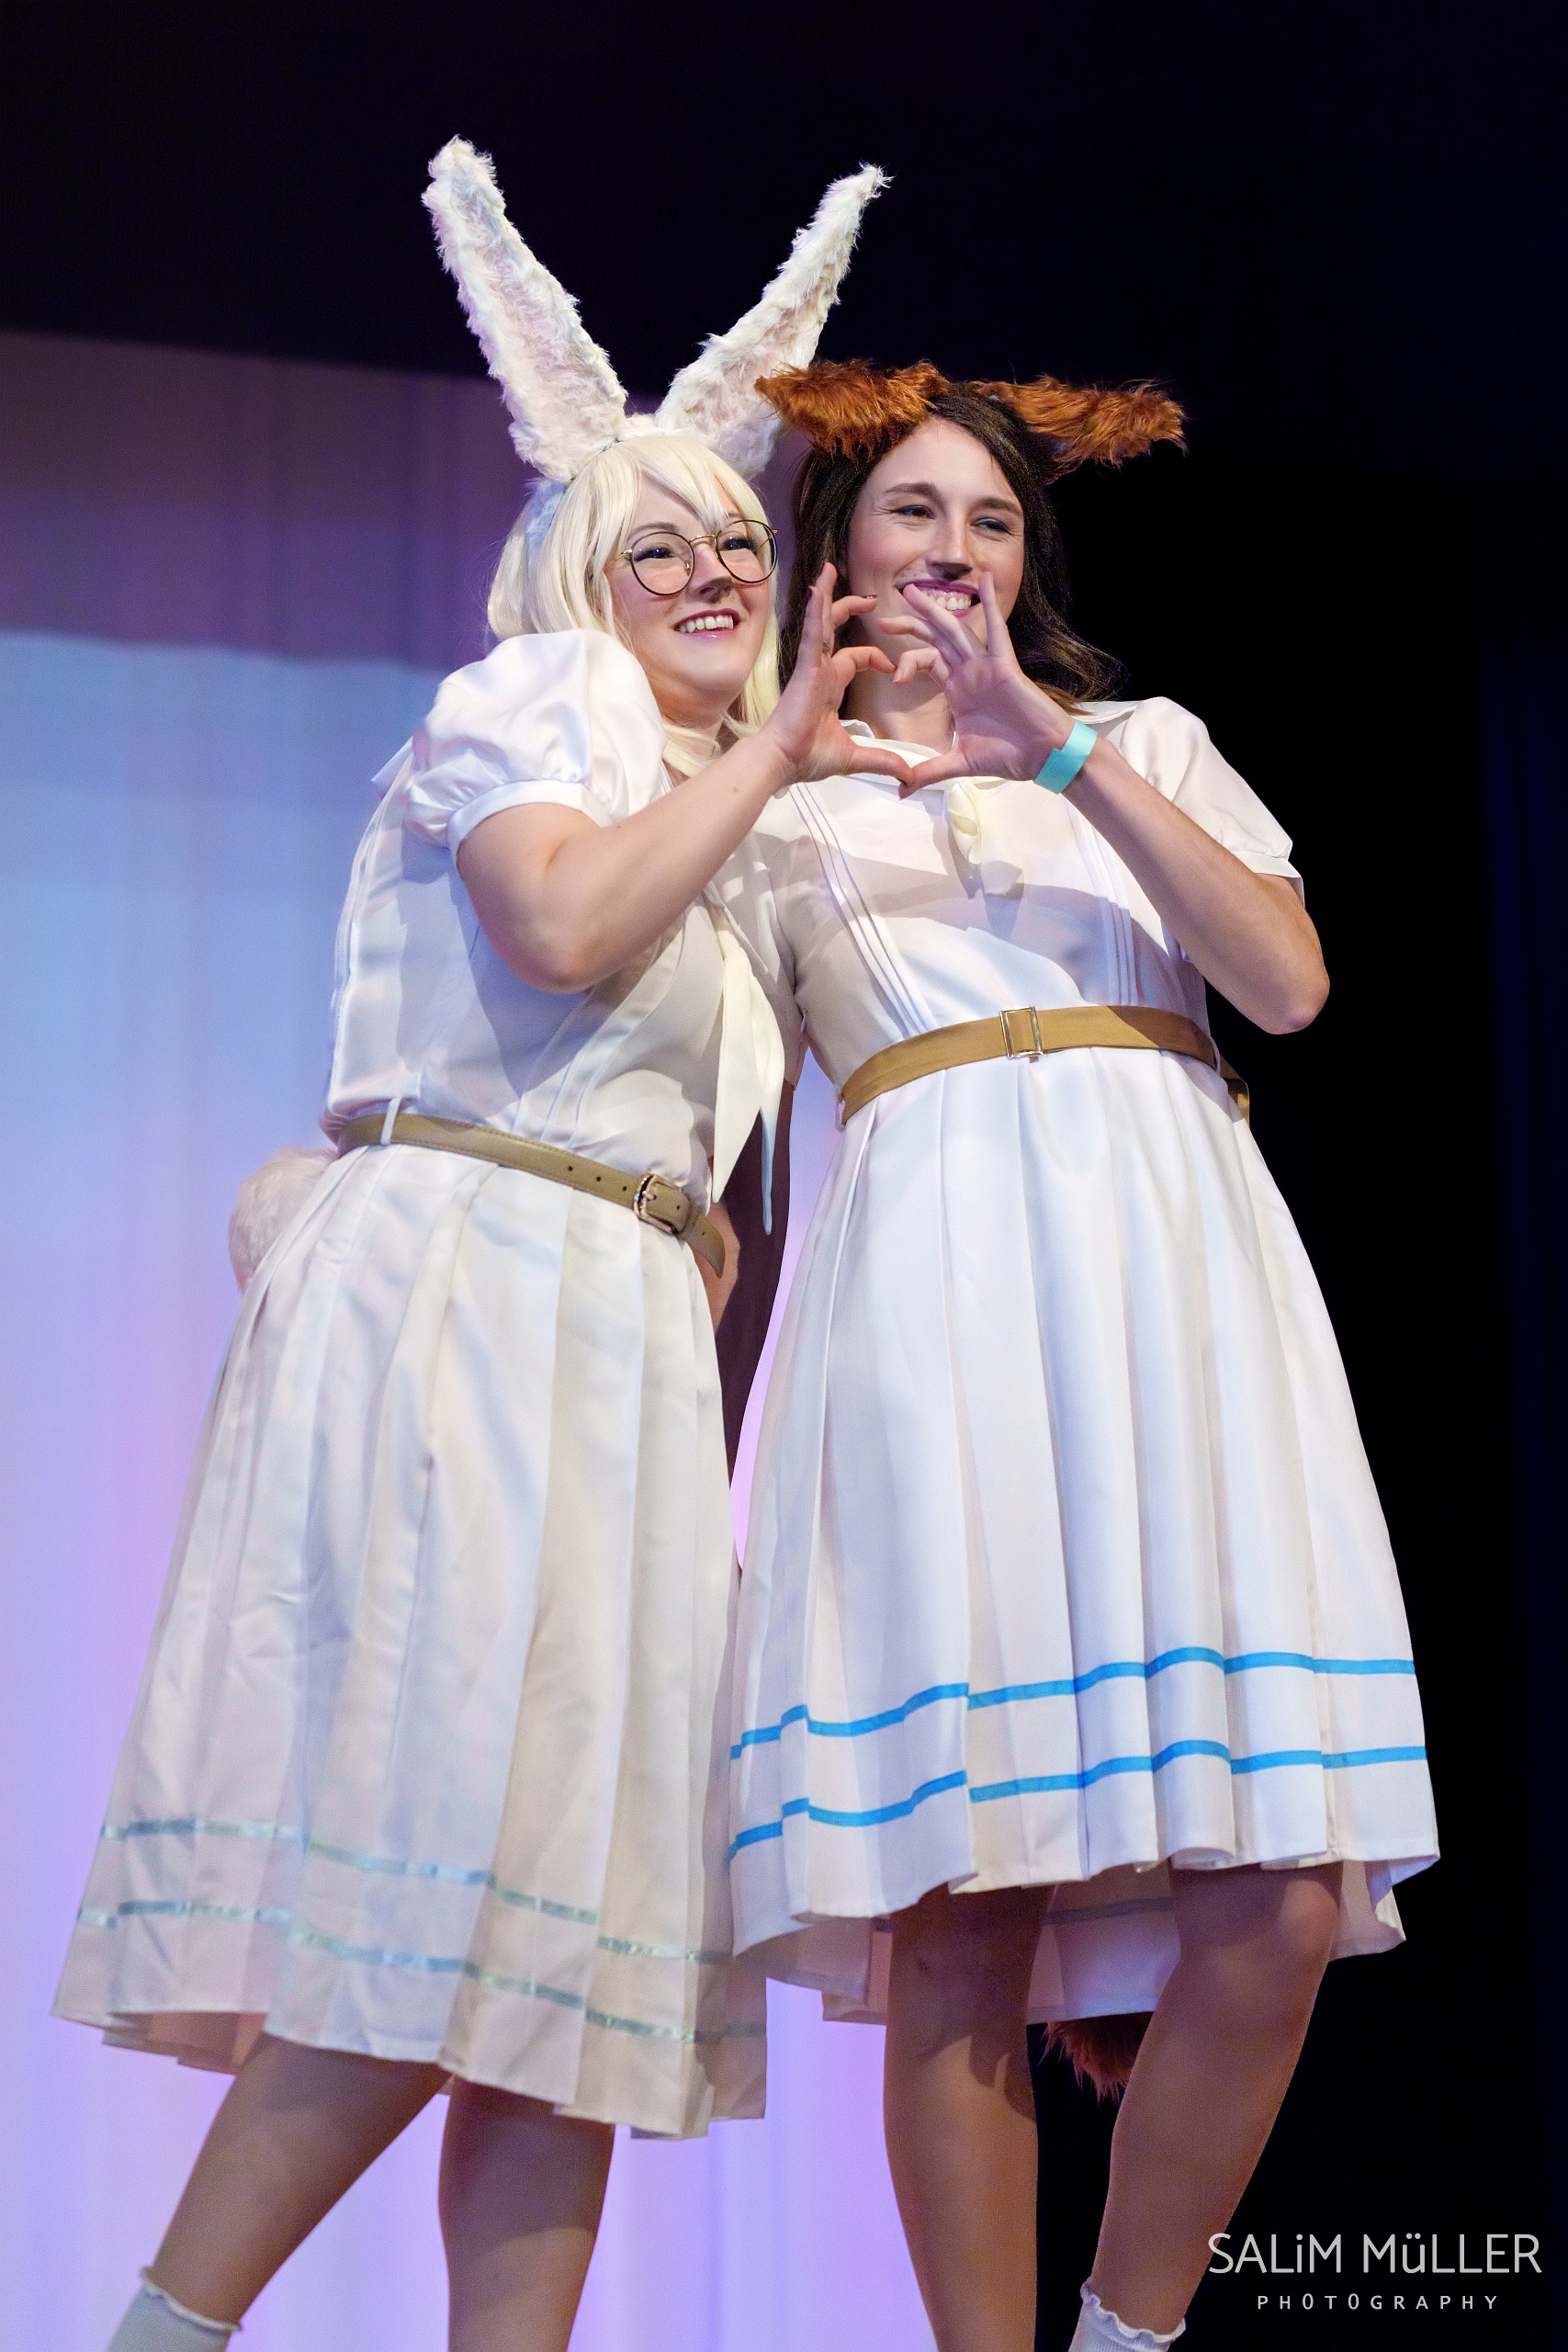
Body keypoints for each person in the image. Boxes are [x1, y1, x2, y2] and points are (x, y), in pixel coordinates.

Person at [54, 144, 904, 2352]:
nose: (710, 568)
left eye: (736, 537)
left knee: (573, 1946)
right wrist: (771, 749)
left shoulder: (748, 811)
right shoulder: (543, 705)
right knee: (436, 1880)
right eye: (656, 543)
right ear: (573, 574)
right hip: (475, 1303)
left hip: (612, 1354)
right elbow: (552, 920)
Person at [716, 359, 1439, 2352]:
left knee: (1281, 1887)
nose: (953, 549)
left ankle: (1131, 2330)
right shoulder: (778, 816)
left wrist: (1058, 753)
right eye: (913, 510)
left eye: (992, 519)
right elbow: (731, 1166)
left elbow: (1283, 982)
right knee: (963, 1907)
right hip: (929, 1329)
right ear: (837, 544)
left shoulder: (1144, 742)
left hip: (1175, 1305)